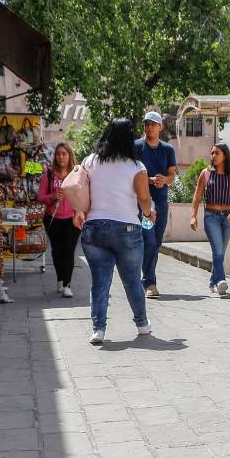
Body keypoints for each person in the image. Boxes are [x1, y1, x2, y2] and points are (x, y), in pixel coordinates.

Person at [74, 119, 156, 345]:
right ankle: (142, 324)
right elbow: (144, 198)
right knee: (132, 281)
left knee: (100, 281)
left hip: (94, 227)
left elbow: (79, 187)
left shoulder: (90, 161)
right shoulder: (136, 167)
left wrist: (79, 211)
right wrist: (148, 214)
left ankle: (98, 330)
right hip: (127, 228)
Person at [189, 143, 230, 296]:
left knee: (220, 252)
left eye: (217, 153)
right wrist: (193, 216)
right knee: (218, 251)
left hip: (228, 218)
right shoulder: (206, 174)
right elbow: (197, 196)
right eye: (212, 153)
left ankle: (213, 282)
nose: (213, 156)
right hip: (211, 217)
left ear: (225, 155)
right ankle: (221, 281)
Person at [134, 110, 177, 298]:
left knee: (156, 242)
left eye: (153, 124)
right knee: (149, 239)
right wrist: (148, 180)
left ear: (160, 127)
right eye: (146, 123)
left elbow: (172, 176)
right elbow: (130, 173)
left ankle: (145, 278)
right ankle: (149, 282)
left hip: (160, 202)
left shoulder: (168, 149)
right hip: (143, 202)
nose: (149, 127)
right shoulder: (136, 147)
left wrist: (163, 180)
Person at [38, 142, 80, 297]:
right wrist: (52, 196)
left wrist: (81, 214)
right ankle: (60, 279)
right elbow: (40, 197)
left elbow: (84, 196)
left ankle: (67, 285)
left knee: (69, 251)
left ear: (70, 155)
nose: (61, 157)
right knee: (57, 252)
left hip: (72, 219)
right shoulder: (49, 174)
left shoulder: (77, 174)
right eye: (58, 154)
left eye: (64, 153)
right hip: (52, 219)